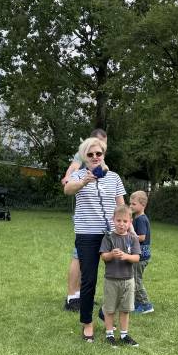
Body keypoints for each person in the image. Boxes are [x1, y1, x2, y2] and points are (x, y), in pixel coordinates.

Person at [63, 136, 126, 341]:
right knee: (89, 280)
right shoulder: (79, 175)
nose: (95, 157)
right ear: (85, 157)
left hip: (112, 235)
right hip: (87, 234)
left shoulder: (114, 177)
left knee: (118, 279)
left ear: (103, 154)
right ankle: (87, 323)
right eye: (90, 154)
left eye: (98, 153)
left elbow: (121, 206)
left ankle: (105, 312)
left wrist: (130, 229)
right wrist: (83, 182)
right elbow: (67, 189)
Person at [61, 129, 108, 311]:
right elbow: (73, 168)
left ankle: (83, 295)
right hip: (85, 220)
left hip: (99, 221)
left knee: (87, 261)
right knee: (78, 257)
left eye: (104, 143)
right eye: (99, 141)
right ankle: (72, 297)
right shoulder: (83, 154)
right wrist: (69, 179)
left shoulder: (100, 158)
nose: (100, 148)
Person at [100, 205, 141, 347]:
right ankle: (109, 334)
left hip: (128, 280)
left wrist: (126, 256)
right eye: (118, 220)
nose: (121, 224)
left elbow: (137, 258)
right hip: (111, 280)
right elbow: (104, 256)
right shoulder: (108, 237)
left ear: (130, 222)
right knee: (109, 309)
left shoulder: (133, 238)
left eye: (125, 221)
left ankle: (124, 334)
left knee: (125, 309)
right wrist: (112, 254)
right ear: (113, 220)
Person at [130, 190, 154, 313]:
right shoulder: (137, 218)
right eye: (130, 204)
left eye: (134, 204)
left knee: (136, 280)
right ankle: (137, 303)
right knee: (134, 278)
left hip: (141, 257)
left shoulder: (141, 219)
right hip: (139, 255)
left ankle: (146, 304)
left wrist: (129, 236)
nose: (131, 206)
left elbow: (142, 237)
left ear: (143, 205)